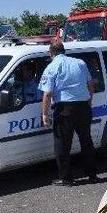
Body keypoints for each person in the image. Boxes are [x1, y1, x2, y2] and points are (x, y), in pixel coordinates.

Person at [39, 42, 97, 186]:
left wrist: (45, 115)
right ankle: (92, 175)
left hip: (64, 109)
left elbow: (47, 94)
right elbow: (91, 85)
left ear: (51, 54)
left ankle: (66, 178)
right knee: (86, 142)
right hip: (83, 107)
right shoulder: (80, 63)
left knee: (62, 145)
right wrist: (89, 102)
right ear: (64, 51)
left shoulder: (51, 67)